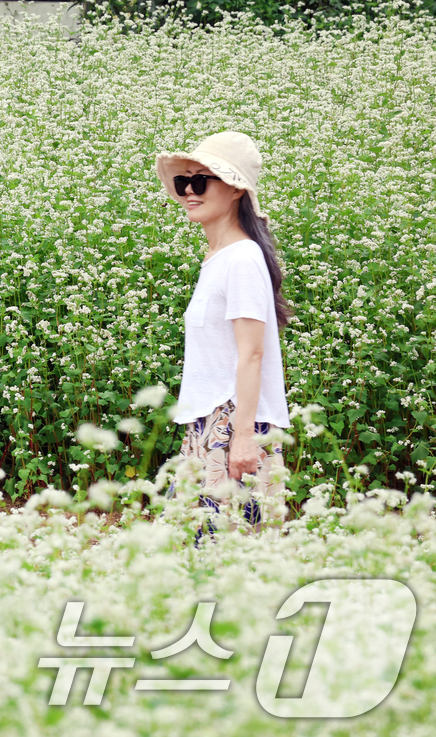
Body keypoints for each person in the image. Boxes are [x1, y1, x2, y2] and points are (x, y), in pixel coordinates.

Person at [154, 131, 293, 541]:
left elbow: (252, 354)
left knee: (227, 556)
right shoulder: (219, 257)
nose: (189, 191)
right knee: (197, 551)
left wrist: (244, 439)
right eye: (183, 182)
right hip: (207, 425)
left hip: (232, 426)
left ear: (235, 190)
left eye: (202, 180)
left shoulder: (242, 259)